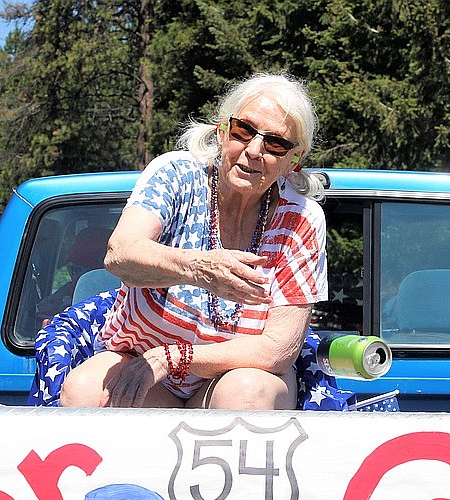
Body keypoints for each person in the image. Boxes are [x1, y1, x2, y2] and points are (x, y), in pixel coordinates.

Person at [60, 72, 327, 410]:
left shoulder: (301, 218)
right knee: (84, 389)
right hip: (141, 360)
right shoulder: (175, 175)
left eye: (275, 144)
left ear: (295, 159)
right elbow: (120, 254)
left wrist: (174, 357)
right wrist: (198, 268)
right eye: (243, 131)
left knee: (246, 390)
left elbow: (278, 349)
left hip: (234, 372)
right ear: (222, 130)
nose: (254, 150)